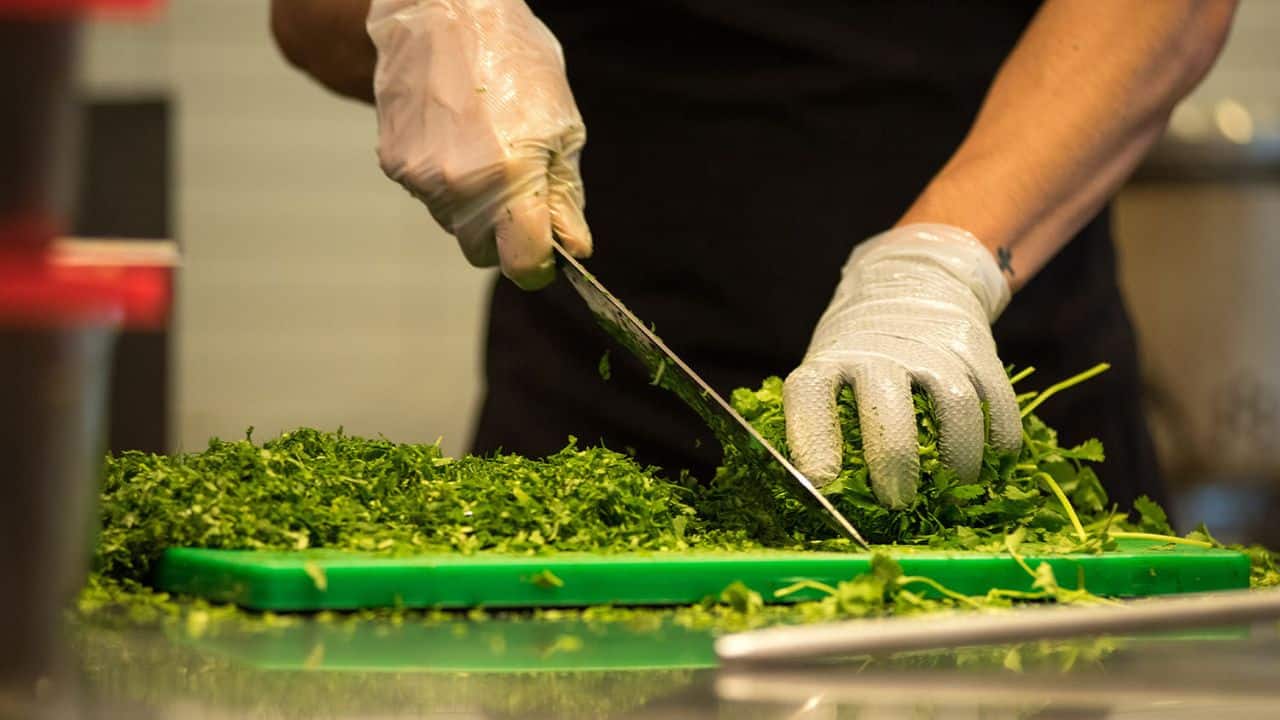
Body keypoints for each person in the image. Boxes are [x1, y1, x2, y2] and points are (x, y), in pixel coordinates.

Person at [270, 0, 1235, 511]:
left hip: (983, 407)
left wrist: (940, 263)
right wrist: (428, 9)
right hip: (592, 446)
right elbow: (308, 15)